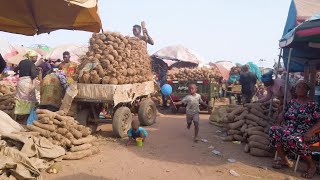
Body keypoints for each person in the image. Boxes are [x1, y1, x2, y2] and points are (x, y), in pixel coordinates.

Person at [269, 80, 320, 178]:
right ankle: (285, 161)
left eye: (303, 87)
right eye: (298, 87)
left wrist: (310, 132)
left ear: (307, 91)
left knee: (294, 139)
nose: (300, 89)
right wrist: (281, 114)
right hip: (290, 129)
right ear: (295, 90)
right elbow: (285, 112)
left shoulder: (312, 105)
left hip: (307, 132)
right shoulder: (292, 102)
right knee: (273, 130)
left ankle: (312, 165)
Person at [14, 51, 39, 119]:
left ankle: (17, 115)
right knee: (29, 99)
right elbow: (33, 75)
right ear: (31, 57)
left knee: (20, 98)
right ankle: (27, 116)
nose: (36, 59)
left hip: (20, 82)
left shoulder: (22, 62)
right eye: (35, 57)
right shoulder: (31, 64)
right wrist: (37, 71)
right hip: (27, 83)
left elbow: (15, 69)